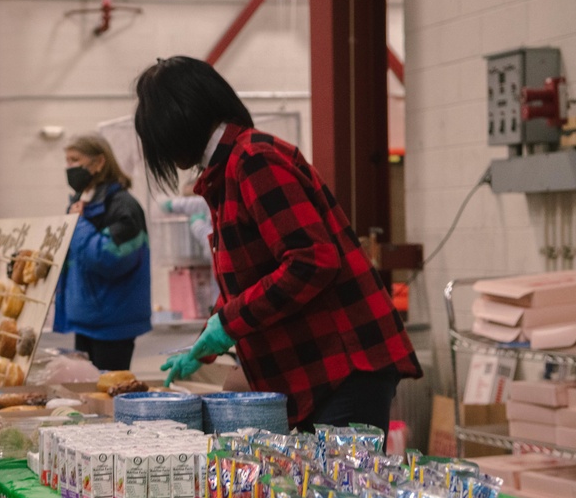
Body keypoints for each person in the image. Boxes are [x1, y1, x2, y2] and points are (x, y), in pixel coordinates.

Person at [134, 56, 422, 436]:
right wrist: (208, 339)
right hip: (313, 370)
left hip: (345, 365)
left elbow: (312, 260)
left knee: (338, 493)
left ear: (178, 124)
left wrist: (230, 324)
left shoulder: (253, 160)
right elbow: (252, 276)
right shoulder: (225, 174)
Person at [53, 133, 152, 371]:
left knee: (107, 397)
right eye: (66, 161)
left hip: (112, 325)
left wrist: (78, 224)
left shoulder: (124, 207)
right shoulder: (80, 203)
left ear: (99, 162)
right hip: (85, 321)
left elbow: (109, 258)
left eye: (75, 160)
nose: (69, 167)